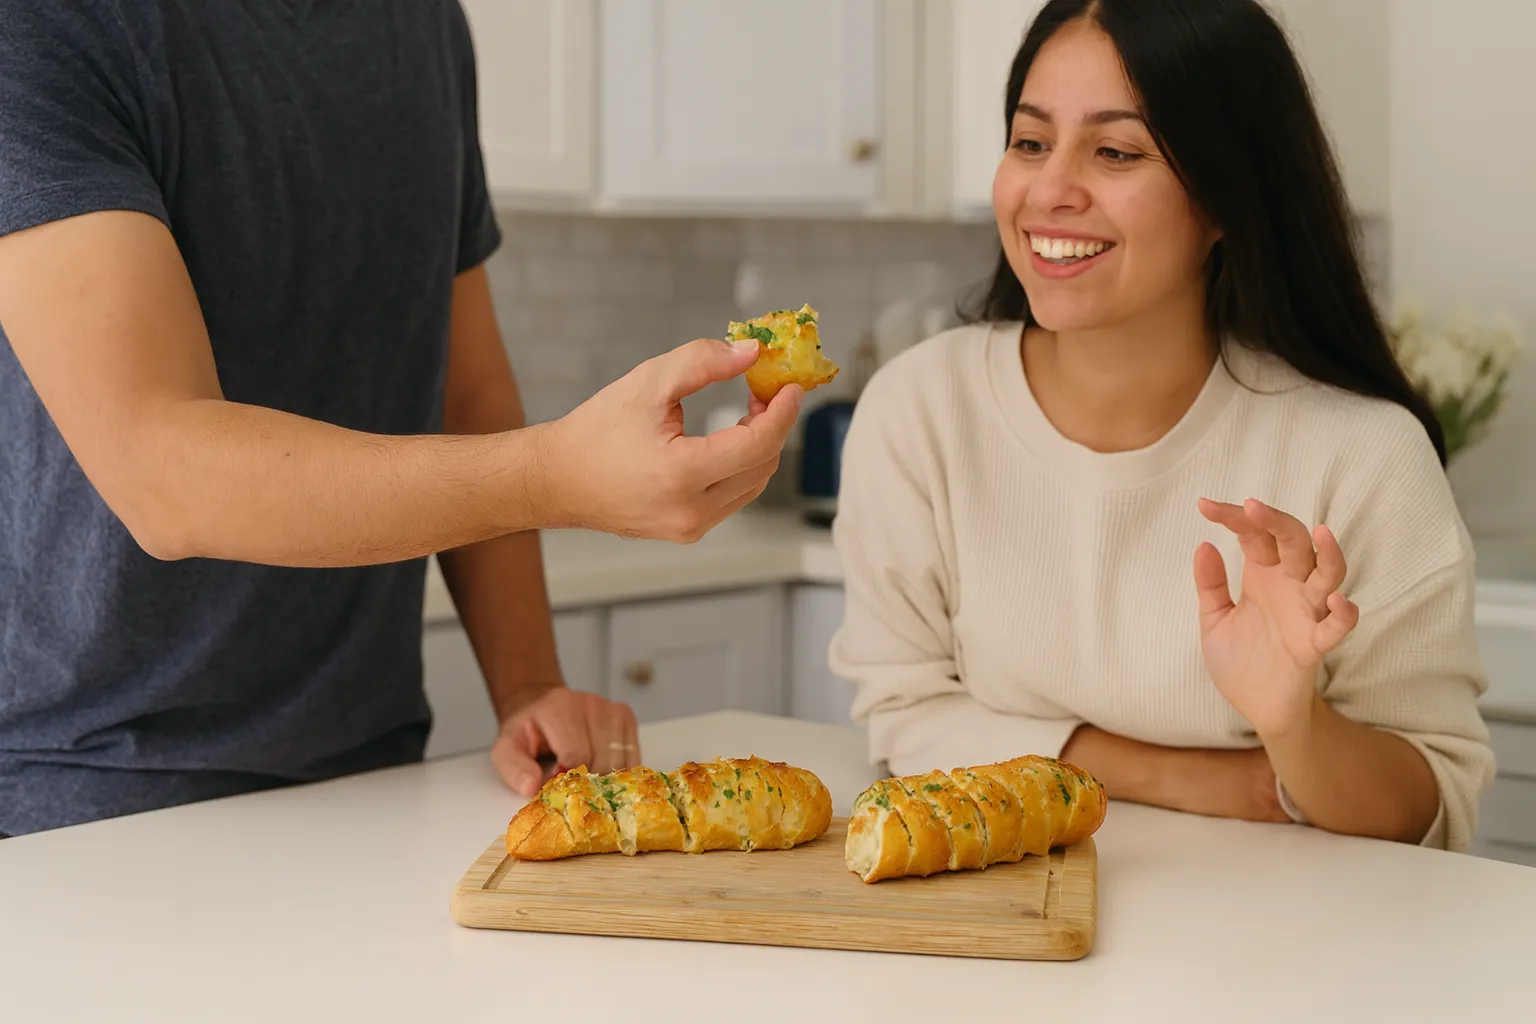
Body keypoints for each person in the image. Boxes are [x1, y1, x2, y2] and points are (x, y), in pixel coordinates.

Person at [0, 0, 801, 837]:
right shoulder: (42, 23)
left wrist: (528, 683)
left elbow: (467, 394)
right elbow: (165, 475)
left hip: (372, 765)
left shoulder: (423, 25)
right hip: (90, 793)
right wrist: (557, 475)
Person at [828, 0, 1495, 852]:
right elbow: (905, 714)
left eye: (1116, 151)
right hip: (1013, 914)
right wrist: (1218, 782)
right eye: (1030, 142)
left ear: (1224, 199)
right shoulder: (921, 408)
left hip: (1281, 930)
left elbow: (1429, 805)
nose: (1050, 190)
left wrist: (1294, 725)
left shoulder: (1363, 454)